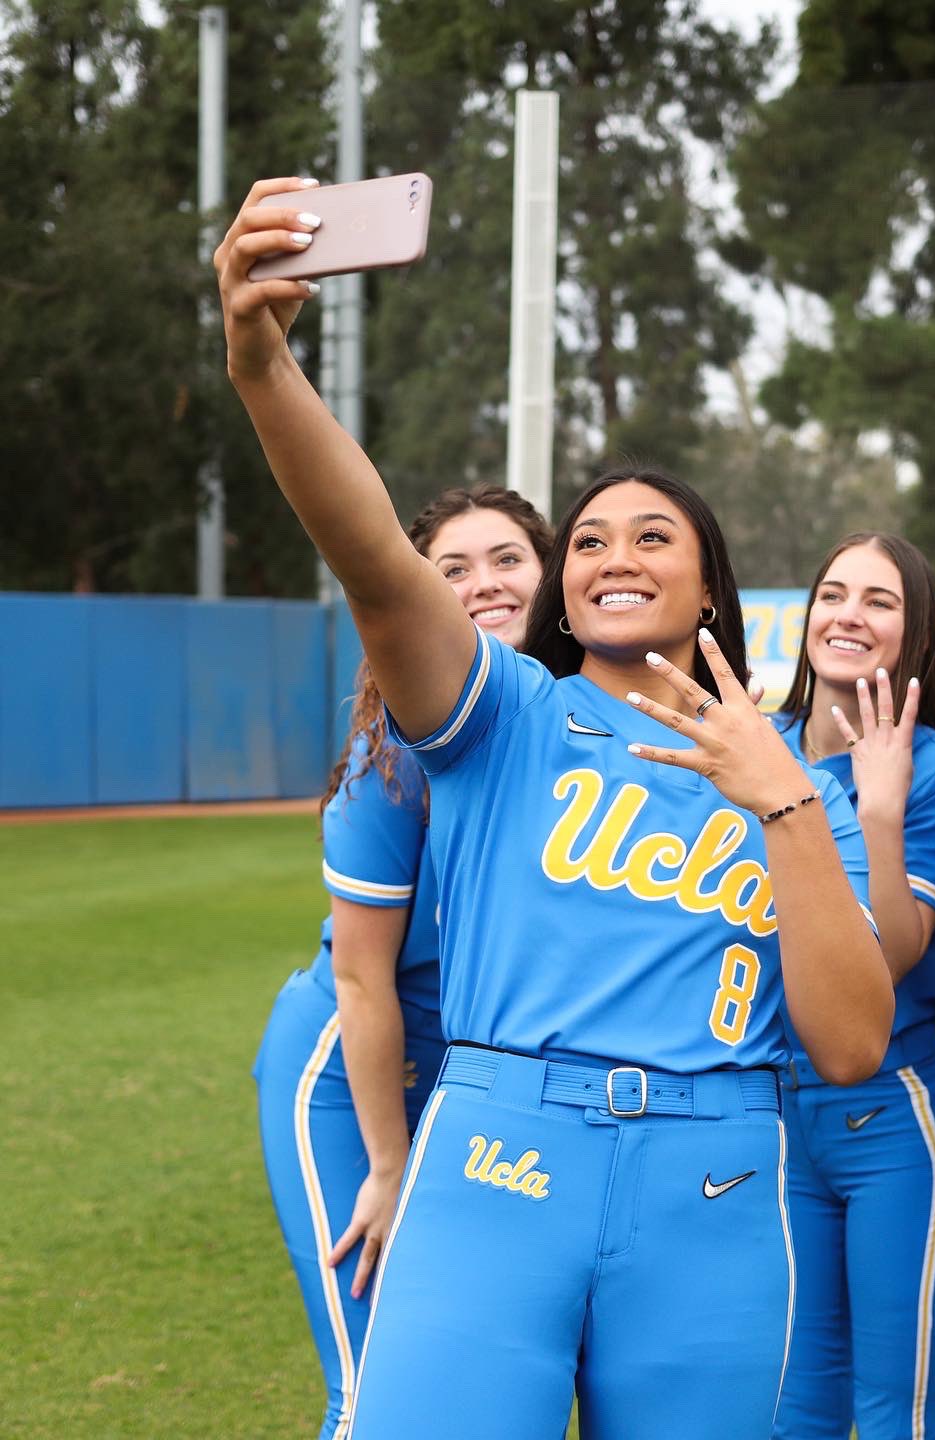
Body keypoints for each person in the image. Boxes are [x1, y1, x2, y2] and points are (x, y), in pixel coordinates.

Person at [216, 177, 894, 1440]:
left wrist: (787, 804)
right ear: (563, 593)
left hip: (717, 1177)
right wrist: (263, 367)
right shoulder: (504, 712)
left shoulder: (791, 775)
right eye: (587, 541)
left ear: (709, 591)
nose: (614, 555)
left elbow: (852, 1046)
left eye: (652, 537)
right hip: (495, 1157)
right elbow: (370, 552)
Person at [253, 485, 553, 1440]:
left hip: (479, 1087)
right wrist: (387, 1165)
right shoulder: (400, 748)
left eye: (507, 558)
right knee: (373, 1377)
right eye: (450, 569)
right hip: (353, 1072)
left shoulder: (574, 725)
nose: (483, 584)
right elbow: (361, 977)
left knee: (482, 1377)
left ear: (552, 575)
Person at [769, 534, 935, 1440]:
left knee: (894, 1414)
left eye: (880, 601)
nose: (849, 614)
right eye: (833, 593)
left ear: (914, 632)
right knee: (791, 1411)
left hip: (893, 1122)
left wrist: (880, 809)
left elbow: (885, 963)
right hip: (768, 1117)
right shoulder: (757, 746)